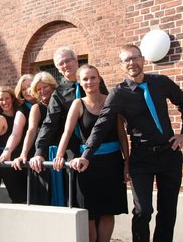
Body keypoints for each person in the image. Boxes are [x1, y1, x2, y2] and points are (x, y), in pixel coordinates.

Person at [76, 44, 183, 242]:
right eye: (127, 60)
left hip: (169, 154)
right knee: (143, 210)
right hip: (142, 157)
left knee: (168, 210)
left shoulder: (161, 82)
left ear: (143, 59)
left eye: (135, 58)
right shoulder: (118, 94)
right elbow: (102, 125)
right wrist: (87, 155)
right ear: (122, 65)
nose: (132, 63)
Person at [53, 65, 129, 242]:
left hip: (113, 164)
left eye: (93, 77)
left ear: (99, 79)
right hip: (87, 165)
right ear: (79, 82)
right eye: (85, 79)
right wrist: (59, 155)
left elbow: (122, 135)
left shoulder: (112, 100)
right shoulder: (77, 104)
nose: (90, 82)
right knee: (90, 214)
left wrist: (127, 163)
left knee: (109, 212)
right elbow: (67, 132)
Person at [30, 46, 108, 206]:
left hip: (102, 150)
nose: (65, 65)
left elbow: (108, 112)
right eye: (61, 63)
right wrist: (39, 152)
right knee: (82, 202)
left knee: (104, 203)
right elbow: (49, 124)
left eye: (68, 60)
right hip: (74, 152)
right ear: (57, 68)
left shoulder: (94, 81)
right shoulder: (58, 93)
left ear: (76, 60)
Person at [12, 71, 57, 205]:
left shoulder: (62, 102)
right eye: (39, 89)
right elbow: (30, 131)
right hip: (43, 154)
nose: (42, 91)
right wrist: (23, 154)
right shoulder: (36, 108)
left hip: (62, 153)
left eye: (45, 87)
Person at [0, 74, 35, 163]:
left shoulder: (46, 103)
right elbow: (15, 134)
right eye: (23, 89)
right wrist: (7, 151)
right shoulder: (22, 110)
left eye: (29, 86)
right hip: (29, 155)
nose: (27, 91)